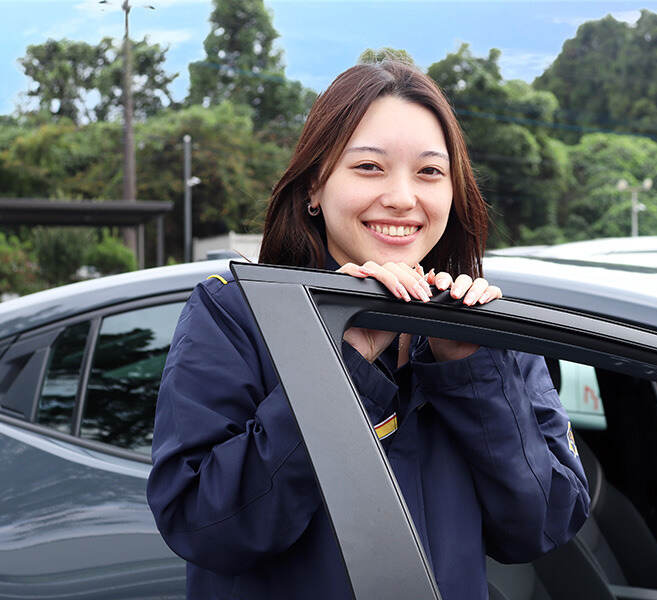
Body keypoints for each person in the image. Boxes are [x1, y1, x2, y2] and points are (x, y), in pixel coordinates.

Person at [147, 60, 589, 600]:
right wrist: (345, 362)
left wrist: (468, 369)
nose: (402, 197)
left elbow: (544, 524)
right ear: (314, 186)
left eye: (430, 172)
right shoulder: (237, 314)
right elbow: (203, 525)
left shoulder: (482, 327)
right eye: (369, 167)